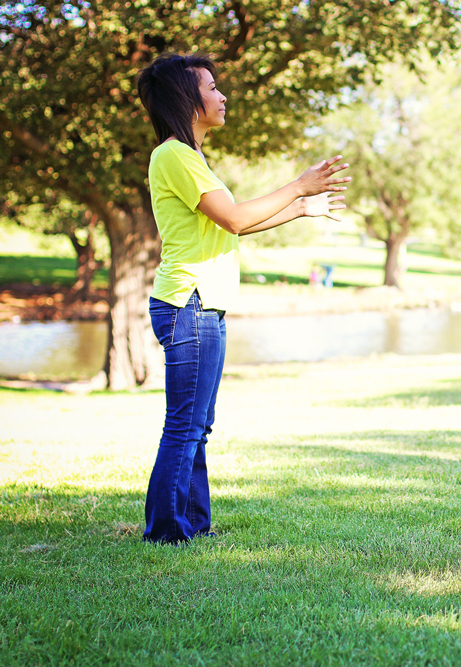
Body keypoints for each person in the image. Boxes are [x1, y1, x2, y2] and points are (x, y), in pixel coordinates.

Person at [136, 53, 351, 543]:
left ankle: (192, 524)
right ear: (187, 100)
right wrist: (296, 184)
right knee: (184, 425)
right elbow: (233, 217)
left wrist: (299, 208)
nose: (222, 95)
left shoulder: (191, 158)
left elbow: (236, 224)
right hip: (187, 304)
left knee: (198, 425)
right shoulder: (173, 155)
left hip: (205, 305)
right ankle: (165, 531)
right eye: (212, 87)